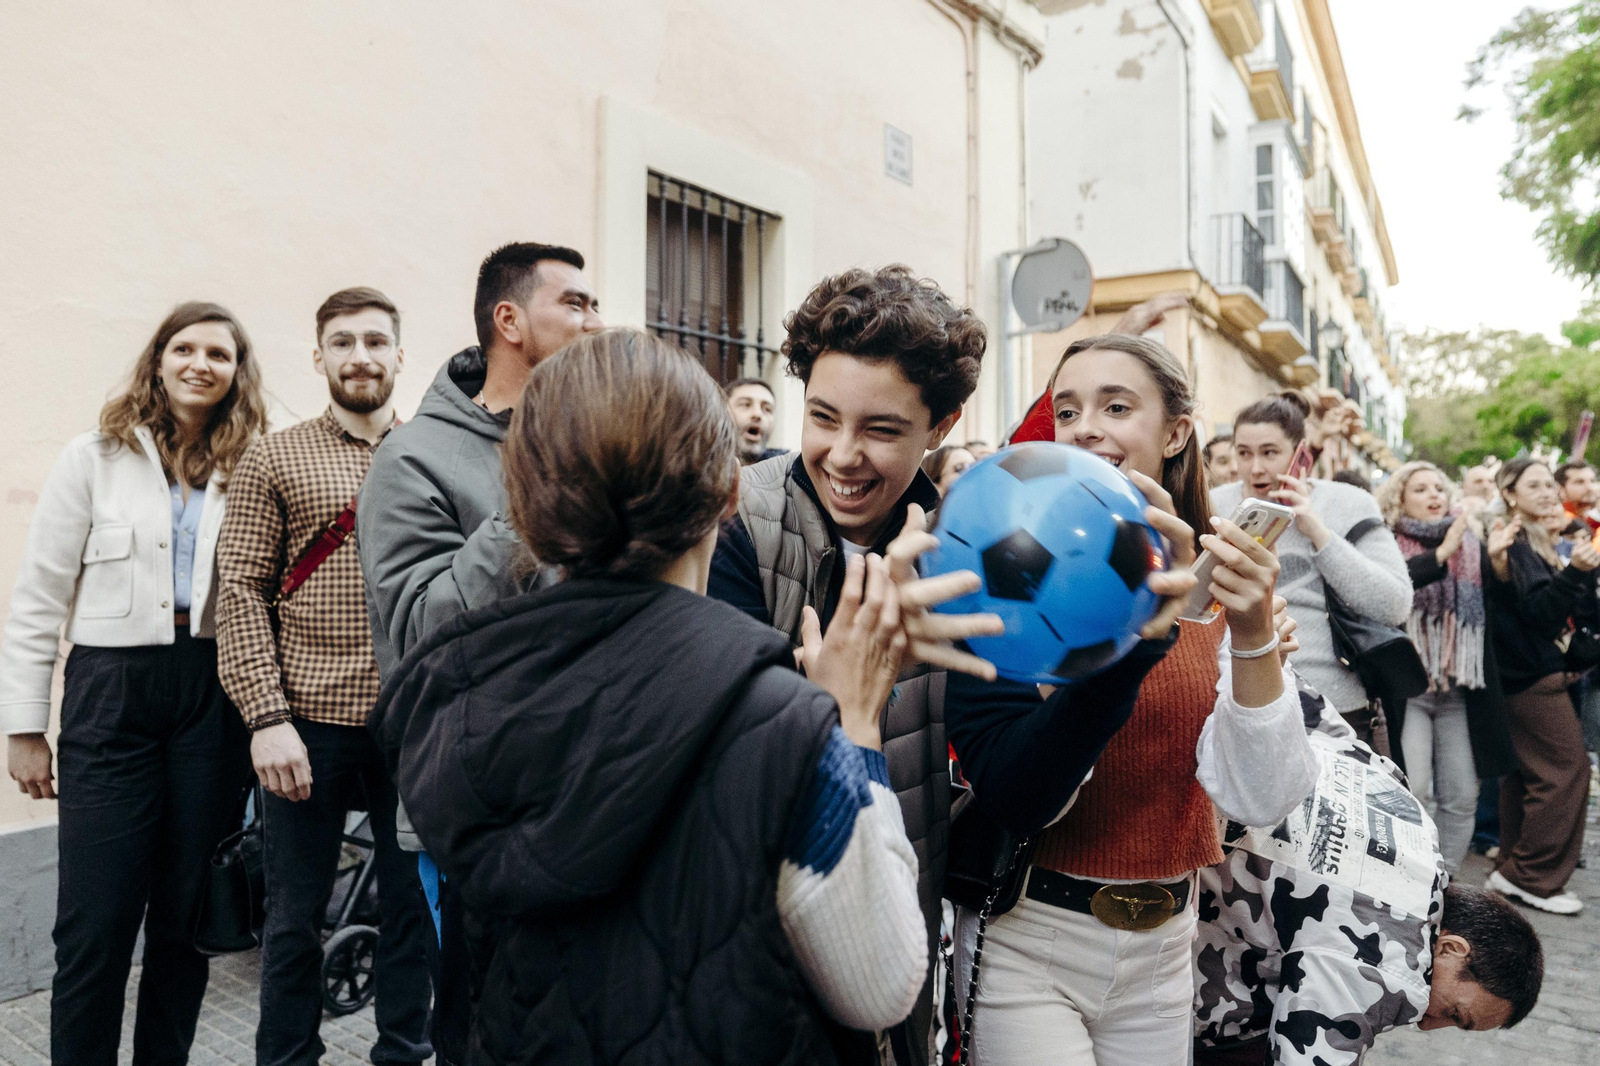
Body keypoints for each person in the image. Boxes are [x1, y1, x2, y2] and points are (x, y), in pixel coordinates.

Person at [370, 329, 932, 1063]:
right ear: (730, 491)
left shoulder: (457, 696)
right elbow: (880, 987)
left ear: (525, 506)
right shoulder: (783, 727)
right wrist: (855, 727)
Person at [946, 333, 1319, 1066]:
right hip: (1032, 935)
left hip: (1166, 946)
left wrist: (1251, 637)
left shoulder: (1229, 580)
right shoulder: (1010, 569)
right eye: (1067, 410)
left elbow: (1264, 796)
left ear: (1176, 432)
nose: (1086, 427)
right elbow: (1023, 793)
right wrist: (1126, 643)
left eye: (1116, 406)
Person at [706, 265, 1006, 1066]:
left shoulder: (968, 553)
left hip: (898, 919)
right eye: (823, 417)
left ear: (941, 425)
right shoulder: (736, 519)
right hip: (754, 927)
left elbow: (1003, 769)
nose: (842, 455)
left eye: (879, 429)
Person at [1, 302, 266, 1065]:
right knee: (96, 920)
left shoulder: (252, 462)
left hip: (211, 693)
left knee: (185, 919)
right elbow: (38, 595)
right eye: (183, 348)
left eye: (218, 353)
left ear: (235, 373)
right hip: (110, 689)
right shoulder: (95, 455)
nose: (199, 363)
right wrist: (24, 727)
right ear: (158, 361)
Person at [357, 241, 603, 1064]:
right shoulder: (411, 457)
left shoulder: (596, 440)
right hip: (477, 810)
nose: (592, 320)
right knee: (494, 1034)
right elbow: (426, 629)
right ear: (509, 320)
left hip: (593, 790)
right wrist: (531, 478)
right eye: (573, 302)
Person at [215, 288, 433, 1066]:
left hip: (416, 726)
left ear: (400, 356)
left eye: (376, 341)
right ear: (319, 358)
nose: (360, 356)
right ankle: (287, 1058)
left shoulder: (430, 452)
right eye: (342, 342)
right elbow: (239, 589)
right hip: (305, 722)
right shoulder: (274, 455)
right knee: (293, 916)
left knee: (415, 910)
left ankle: (405, 1053)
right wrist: (266, 716)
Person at [1193, 679, 1543, 1065]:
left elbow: (1306, 705)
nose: (1429, 1027)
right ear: (1451, 949)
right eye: (1455, 1014)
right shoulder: (1392, 969)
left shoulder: (1414, 822)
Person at [1221, 394, 1413, 750]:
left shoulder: (1349, 501)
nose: (1255, 468)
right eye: (1243, 453)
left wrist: (1317, 531)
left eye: (1269, 452)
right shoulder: (1214, 504)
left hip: (1339, 707)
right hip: (1242, 704)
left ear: (1300, 454)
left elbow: (1394, 604)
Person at [1377, 461, 1515, 874]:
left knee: (1461, 795)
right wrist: (1440, 553)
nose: (1434, 495)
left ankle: (1446, 882)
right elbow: (1391, 591)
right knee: (1413, 789)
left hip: (1458, 689)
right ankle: (1411, 877)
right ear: (1399, 498)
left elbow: (1502, 600)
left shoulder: (1471, 541)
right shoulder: (1384, 542)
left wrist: (1498, 563)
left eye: (1439, 487)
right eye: (1420, 489)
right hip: (1411, 689)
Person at [1482, 457, 1597, 915]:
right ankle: (1529, 877)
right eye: (1535, 485)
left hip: (1535, 673)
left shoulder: (1540, 537)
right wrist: (1577, 573)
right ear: (1510, 493)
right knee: (1567, 772)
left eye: (1550, 484)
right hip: (1528, 678)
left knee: (1527, 776)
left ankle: (1513, 866)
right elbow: (1539, 613)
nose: (1548, 492)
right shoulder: (1512, 540)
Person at [725, 376, 786, 463]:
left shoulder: (788, 472)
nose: (757, 414)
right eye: (745, 404)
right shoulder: (702, 470)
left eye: (767, 409)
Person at [1556, 459, 1600, 533]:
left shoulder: (1594, 521)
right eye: (1580, 482)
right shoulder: (1558, 524)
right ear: (1561, 490)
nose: (1590, 487)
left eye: (1592, 481)